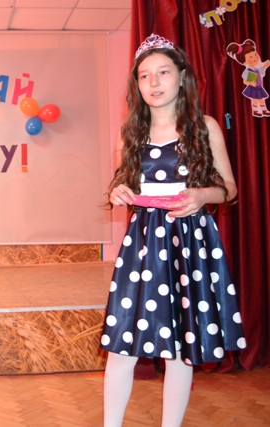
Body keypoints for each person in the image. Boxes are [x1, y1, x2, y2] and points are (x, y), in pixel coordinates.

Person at [100, 34, 246, 427]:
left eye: (163, 72)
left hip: (190, 240)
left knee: (181, 348)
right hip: (144, 245)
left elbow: (229, 188)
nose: (154, 82)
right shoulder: (131, 132)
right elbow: (123, 184)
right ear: (137, 84)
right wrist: (118, 191)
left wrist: (203, 196)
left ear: (182, 76)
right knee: (121, 347)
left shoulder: (204, 127)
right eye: (145, 75)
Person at [226, 39, 270, 118]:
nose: (255, 57)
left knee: (261, 99)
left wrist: (266, 65)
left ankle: (264, 110)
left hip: (259, 87)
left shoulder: (256, 69)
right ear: (244, 61)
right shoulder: (248, 71)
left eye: (255, 54)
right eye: (250, 56)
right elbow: (245, 81)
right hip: (253, 88)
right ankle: (256, 110)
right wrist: (251, 83)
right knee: (255, 99)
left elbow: (262, 70)